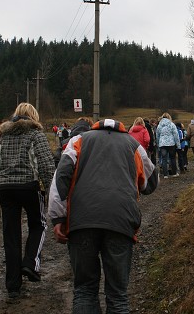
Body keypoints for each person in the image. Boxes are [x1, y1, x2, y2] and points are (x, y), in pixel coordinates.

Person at [48, 119, 158, 313]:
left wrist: (58, 218)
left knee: (84, 290)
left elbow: (60, 179)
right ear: (122, 128)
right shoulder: (133, 145)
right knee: (118, 295)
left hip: (82, 222)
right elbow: (150, 183)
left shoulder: (79, 140)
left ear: (95, 127)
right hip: (120, 222)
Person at [0, 103, 55, 300]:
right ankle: (30, 262)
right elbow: (45, 163)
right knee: (38, 224)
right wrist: (50, 188)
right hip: (29, 185)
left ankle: (12, 284)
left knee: (10, 235)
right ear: (33, 116)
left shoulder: (4, 135)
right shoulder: (35, 134)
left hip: (6, 188)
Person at [156, 112, 181, 179]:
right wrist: (178, 145)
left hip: (162, 144)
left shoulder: (159, 126)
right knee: (172, 158)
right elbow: (176, 135)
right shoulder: (172, 124)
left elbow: (157, 136)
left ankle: (165, 175)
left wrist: (158, 144)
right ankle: (174, 173)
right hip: (171, 143)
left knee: (164, 159)